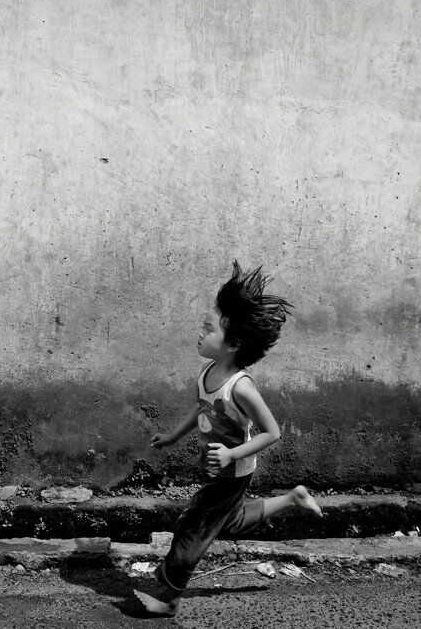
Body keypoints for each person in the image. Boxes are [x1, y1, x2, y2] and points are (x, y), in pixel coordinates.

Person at [134, 261, 324, 617]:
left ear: (233, 343)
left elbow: (272, 432)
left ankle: (169, 598)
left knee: (193, 529)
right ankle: (293, 498)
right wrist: (173, 437)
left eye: (208, 329)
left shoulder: (241, 387)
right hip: (217, 469)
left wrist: (232, 454)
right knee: (230, 521)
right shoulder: (208, 371)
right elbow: (201, 410)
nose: (200, 334)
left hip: (233, 472)